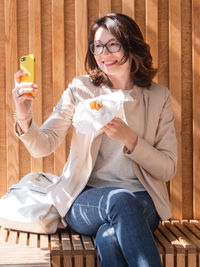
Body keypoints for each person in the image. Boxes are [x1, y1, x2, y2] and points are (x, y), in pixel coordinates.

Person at [13, 13, 177, 267]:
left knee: (110, 237)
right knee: (119, 200)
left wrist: (130, 138)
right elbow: (44, 145)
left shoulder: (158, 97)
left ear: (131, 46)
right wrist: (23, 115)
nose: (104, 53)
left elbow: (167, 168)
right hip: (85, 199)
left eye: (113, 44)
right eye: (98, 46)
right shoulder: (82, 89)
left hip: (143, 201)